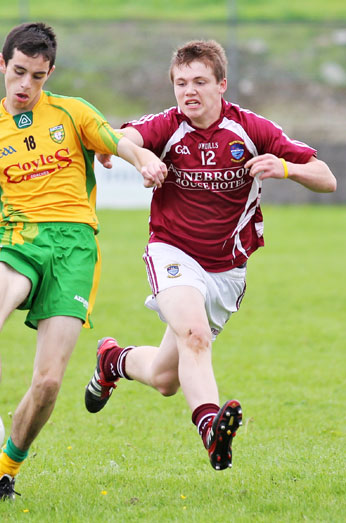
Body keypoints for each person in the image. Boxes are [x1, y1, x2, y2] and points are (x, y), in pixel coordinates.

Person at [0, 22, 167, 500]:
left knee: (47, 382)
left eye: (38, 76)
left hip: (73, 248)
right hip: (17, 237)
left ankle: (5, 467)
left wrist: (142, 160)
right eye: (20, 72)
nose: (26, 85)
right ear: (2, 64)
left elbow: (118, 140)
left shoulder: (72, 113)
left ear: (50, 73)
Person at [84, 39, 337, 471]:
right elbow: (123, 137)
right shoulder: (167, 125)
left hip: (227, 270)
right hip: (172, 251)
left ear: (222, 84)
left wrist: (286, 168)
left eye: (200, 81)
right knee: (195, 336)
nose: (189, 92)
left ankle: (114, 360)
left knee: (166, 377)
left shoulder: (253, 129)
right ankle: (210, 426)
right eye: (181, 83)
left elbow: (327, 178)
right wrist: (138, 156)